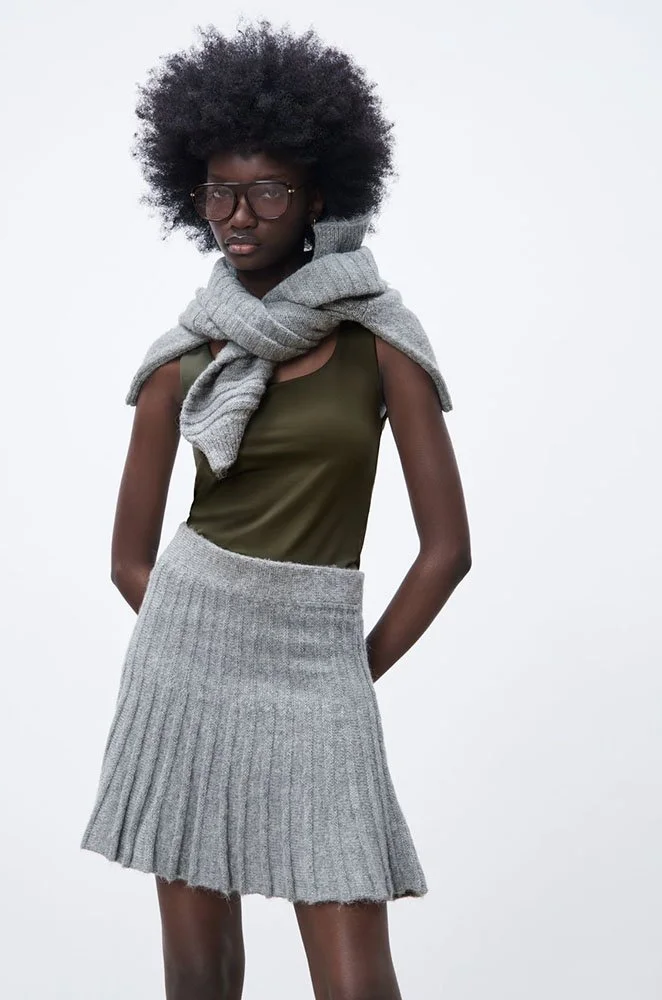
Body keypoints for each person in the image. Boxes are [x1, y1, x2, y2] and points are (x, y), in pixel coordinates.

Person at [81, 19, 471, 1000]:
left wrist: (347, 670)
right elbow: (128, 558)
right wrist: (210, 638)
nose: (237, 215)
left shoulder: (381, 344)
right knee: (200, 972)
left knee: (355, 979)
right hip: (184, 665)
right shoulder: (181, 360)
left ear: (319, 198)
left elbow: (448, 551)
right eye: (218, 191)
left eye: (266, 191)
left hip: (317, 666)